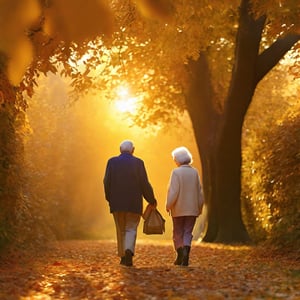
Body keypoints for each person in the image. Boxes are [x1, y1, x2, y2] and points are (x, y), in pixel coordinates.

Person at [103, 140, 157, 267]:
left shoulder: (112, 162)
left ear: (120, 150)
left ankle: (123, 256)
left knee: (120, 229)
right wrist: (151, 199)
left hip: (117, 203)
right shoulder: (138, 163)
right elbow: (144, 183)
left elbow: (106, 181)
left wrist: (109, 198)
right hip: (134, 203)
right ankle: (129, 251)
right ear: (133, 150)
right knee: (131, 228)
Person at [166, 146, 204, 266]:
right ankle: (186, 252)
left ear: (178, 159)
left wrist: (168, 204)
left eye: (174, 159)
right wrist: (199, 206)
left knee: (177, 232)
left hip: (178, 208)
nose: (174, 161)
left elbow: (173, 191)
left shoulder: (176, 172)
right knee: (188, 231)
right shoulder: (194, 172)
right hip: (192, 209)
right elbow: (199, 191)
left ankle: (180, 254)